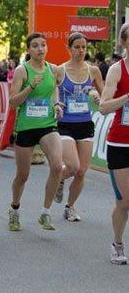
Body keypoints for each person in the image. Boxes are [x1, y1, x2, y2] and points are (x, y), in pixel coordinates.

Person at [8, 32, 63, 232]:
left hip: (48, 124)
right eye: (36, 46)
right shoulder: (23, 71)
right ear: (29, 50)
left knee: (57, 166)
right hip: (26, 127)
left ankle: (45, 213)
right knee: (23, 175)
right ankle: (14, 209)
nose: (40, 49)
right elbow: (13, 102)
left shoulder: (53, 69)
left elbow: (54, 89)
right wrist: (30, 86)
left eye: (43, 45)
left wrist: (56, 104)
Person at [53, 33, 104, 221]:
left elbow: (105, 94)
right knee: (73, 166)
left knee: (82, 171)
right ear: (69, 48)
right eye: (77, 47)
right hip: (65, 124)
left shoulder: (93, 71)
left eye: (84, 47)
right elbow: (52, 93)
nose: (81, 51)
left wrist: (100, 98)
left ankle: (70, 207)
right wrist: (56, 104)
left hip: (85, 124)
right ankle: (58, 180)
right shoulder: (59, 70)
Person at [99, 23, 129, 265]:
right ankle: (117, 244)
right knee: (125, 202)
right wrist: (127, 97)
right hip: (120, 144)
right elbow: (103, 106)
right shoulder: (117, 70)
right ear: (124, 42)